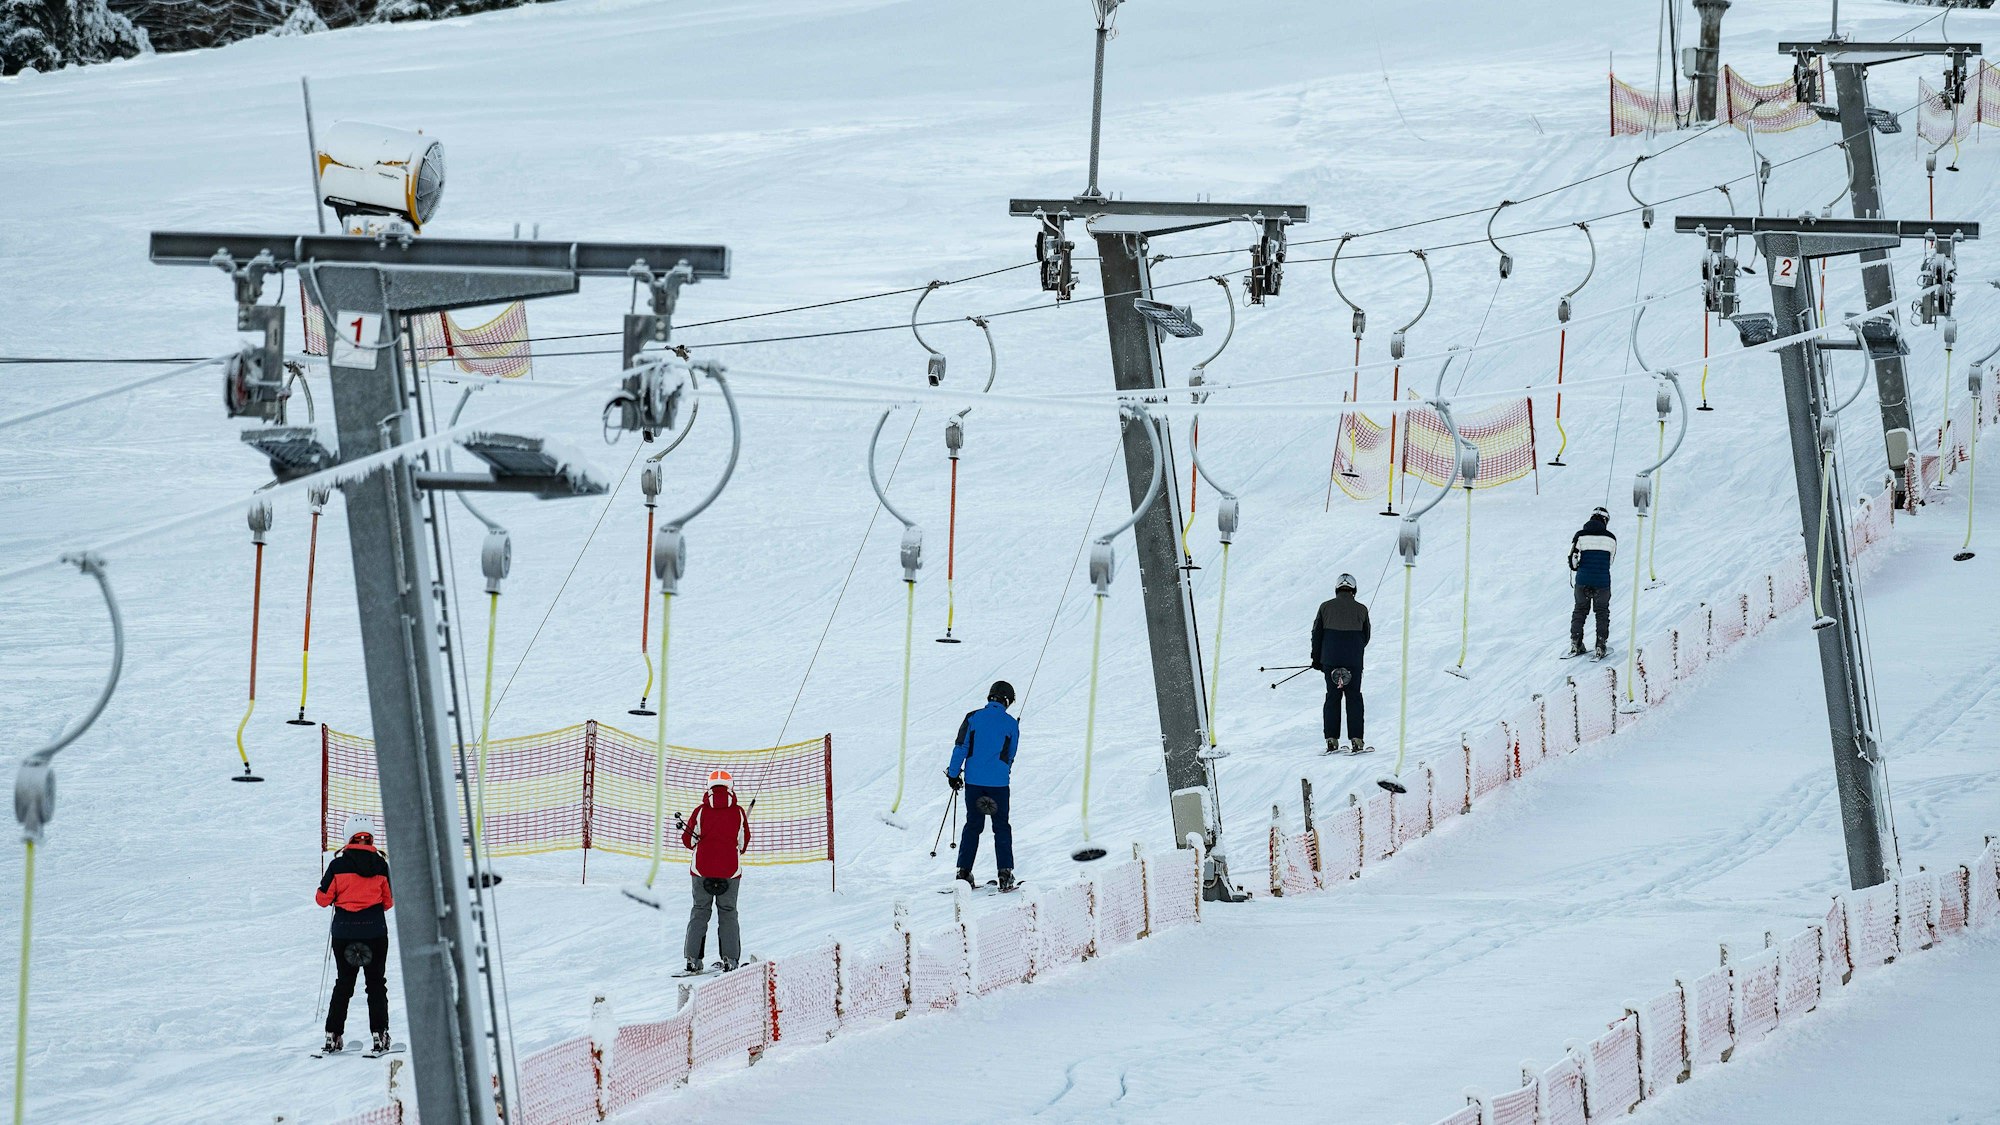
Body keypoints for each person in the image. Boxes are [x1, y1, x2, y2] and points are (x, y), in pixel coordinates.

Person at [316, 814, 394, 1056]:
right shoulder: (381, 865)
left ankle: (333, 1034)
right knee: (376, 984)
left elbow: (322, 899)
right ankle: (379, 1034)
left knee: (344, 983)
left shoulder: (337, 865)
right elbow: (389, 902)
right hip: (374, 933)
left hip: (344, 935)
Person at [946, 680, 1020, 891]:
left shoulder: (973, 718)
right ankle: (1005, 874)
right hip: (998, 786)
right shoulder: (1011, 724)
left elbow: (961, 747)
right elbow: (1010, 755)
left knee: (973, 826)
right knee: (1001, 827)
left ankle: (963, 872)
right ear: (1006, 700)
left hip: (974, 784)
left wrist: (953, 774)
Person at [681, 768, 751, 974]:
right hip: (730, 871)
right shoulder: (738, 812)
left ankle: (693, 960)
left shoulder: (700, 811)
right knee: (728, 912)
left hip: (701, 870)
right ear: (731, 787)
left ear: (708, 787)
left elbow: (688, 840)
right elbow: (743, 844)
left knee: (700, 911)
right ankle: (731, 960)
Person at [1311, 573, 1372, 753]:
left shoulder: (1324, 607)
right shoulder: (1362, 609)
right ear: (1354, 589)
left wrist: (1317, 659)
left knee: (1333, 697)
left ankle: (1331, 740)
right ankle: (1357, 740)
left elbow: (1317, 634)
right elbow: (1366, 636)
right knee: (1354, 697)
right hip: (1353, 661)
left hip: (1330, 661)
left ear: (1337, 588)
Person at [1569, 506, 1619, 659]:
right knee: (1602, 612)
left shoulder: (1580, 535)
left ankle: (1576, 643)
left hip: (1582, 581)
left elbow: (1572, 559)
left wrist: (1577, 568)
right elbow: (1611, 561)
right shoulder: (1611, 538)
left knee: (1580, 611)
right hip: (1602, 582)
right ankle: (1600, 645)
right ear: (1605, 520)